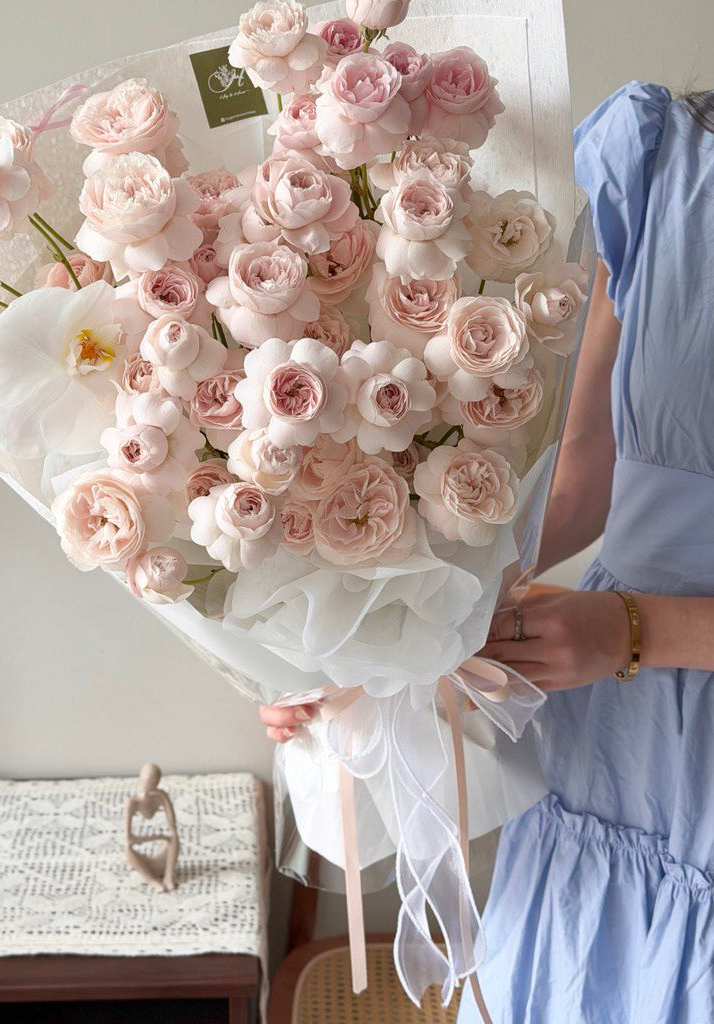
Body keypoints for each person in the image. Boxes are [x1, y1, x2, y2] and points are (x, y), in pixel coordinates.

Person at [260, 84, 714, 1023]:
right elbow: (589, 473)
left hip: (637, 667)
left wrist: (640, 629)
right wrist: (368, 637)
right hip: (616, 740)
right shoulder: (670, 160)